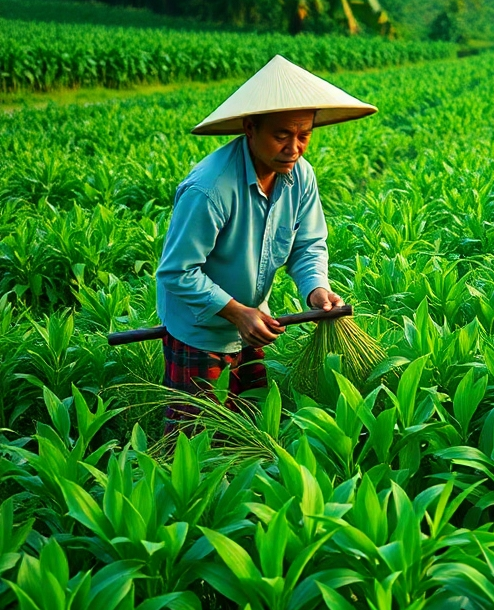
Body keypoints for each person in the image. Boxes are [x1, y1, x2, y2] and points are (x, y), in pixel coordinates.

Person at [155, 54, 376, 433]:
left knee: (251, 426)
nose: (295, 147)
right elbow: (178, 271)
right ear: (250, 128)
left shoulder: (299, 176)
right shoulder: (210, 189)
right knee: (198, 437)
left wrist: (317, 290)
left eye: (304, 134)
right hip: (200, 330)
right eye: (281, 135)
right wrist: (236, 312)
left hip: (253, 321)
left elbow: (307, 245)